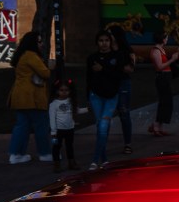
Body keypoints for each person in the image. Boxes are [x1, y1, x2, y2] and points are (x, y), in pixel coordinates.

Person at [7, 30, 53, 164]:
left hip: (20, 97)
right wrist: (49, 66)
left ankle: (16, 153)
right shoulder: (31, 56)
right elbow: (45, 73)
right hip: (33, 97)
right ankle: (44, 153)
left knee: (22, 126)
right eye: (39, 41)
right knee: (41, 126)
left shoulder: (22, 55)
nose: (42, 44)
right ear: (33, 43)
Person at [86, 29, 126, 169]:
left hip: (111, 97)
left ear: (110, 42)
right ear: (97, 43)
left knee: (103, 126)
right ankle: (104, 159)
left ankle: (95, 160)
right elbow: (88, 78)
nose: (104, 43)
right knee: (100, 126)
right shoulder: (92, 58)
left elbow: (119, 75)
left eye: (106, 40)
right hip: (95, 96)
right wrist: (87, 98)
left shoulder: (117, 56)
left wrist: (103, 68)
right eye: (101, 41)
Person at [108, 27, 137, 153]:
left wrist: (115, 65)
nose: (108, 36)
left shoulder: (126, 50)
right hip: (110, 83)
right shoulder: (106, 49)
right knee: (106, 115)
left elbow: (130, 69)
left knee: (124, 114)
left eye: (110, 34)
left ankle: (128, 144)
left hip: (123, 84)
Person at [149, 31, 179, 136]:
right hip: (161, 78)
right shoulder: (156, 51)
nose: (167, 39)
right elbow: (159, 67)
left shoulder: (161, 49)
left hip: (166, 78)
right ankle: (155, 125)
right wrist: (172, 59)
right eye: (166, 38)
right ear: (162, 39)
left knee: (167, 102)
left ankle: (159, 126)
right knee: (164, 102)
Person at [48, 78, 79, 172]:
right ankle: (56, 165)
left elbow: (76, 111)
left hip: (70, 129)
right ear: (57, 91)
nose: (64, 92)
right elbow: (52, 118)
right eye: (61, 90)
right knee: (56, 146)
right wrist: (53, 131)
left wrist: (87, 109)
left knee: (70, 146)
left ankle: (71, 163)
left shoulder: (70, 101)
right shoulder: (54, 104)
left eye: (66, 90)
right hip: (57, 131)